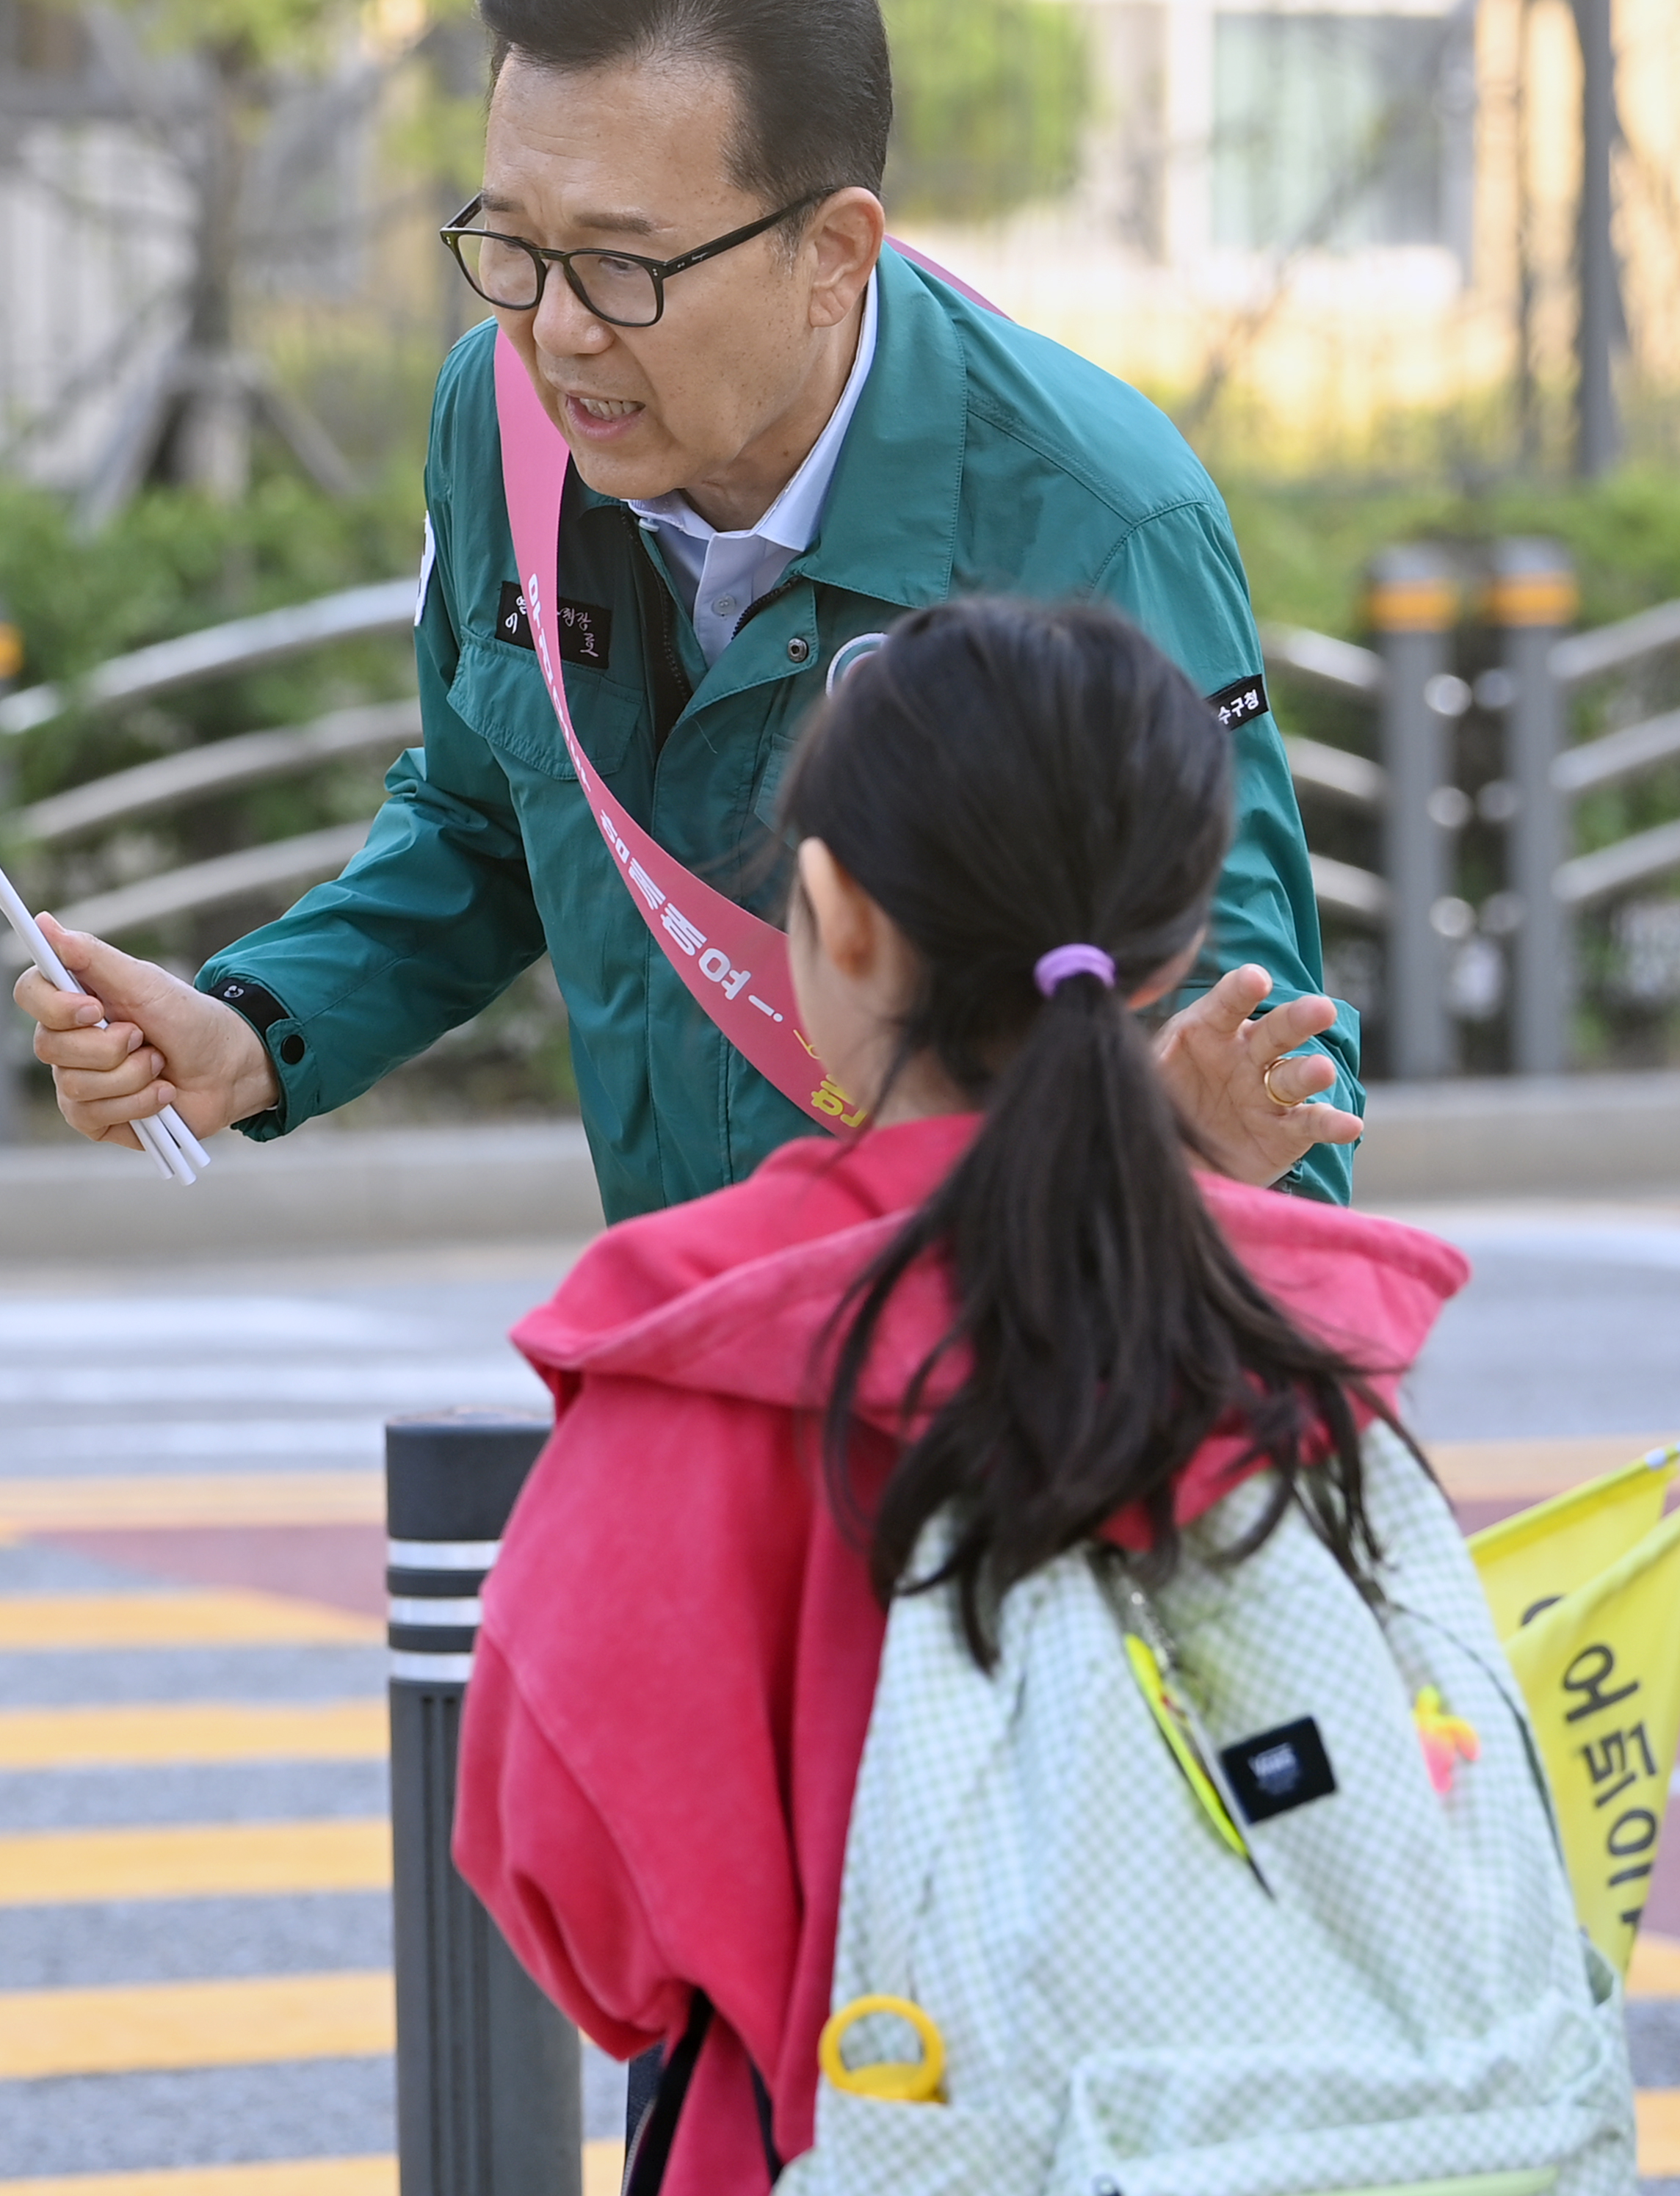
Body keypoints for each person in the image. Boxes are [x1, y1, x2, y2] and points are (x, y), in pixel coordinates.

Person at [21, 0, 1362, 1220]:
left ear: (832, 253)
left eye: (619, 267)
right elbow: (484, 821)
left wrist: (1196, 1143)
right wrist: (253, 1027)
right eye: (510, 247)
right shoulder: (500, 427)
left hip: (984, 1364)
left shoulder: (1094, 519)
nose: (555, 333)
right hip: (683, 1320)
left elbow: (1258, 1073)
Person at [453, 597, 1483, 2196]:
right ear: (1175, 929)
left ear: (839, 918)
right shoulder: (1288, 1330)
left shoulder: (719, 1353)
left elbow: (580, 1890)